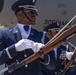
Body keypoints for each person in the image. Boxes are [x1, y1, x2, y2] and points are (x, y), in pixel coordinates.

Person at [0, 0, 50, 75]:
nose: (34, 15)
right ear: (19, 14)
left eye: (35, 12)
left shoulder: (42, 36)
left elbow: (52, 65)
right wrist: (15, 48)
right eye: (31, 11)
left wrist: (42, 55)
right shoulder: (4, 34)